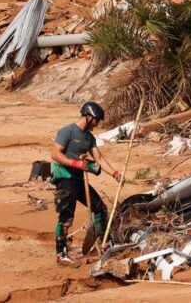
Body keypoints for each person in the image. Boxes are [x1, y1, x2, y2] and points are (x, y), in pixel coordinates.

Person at [51, 101, 120, 266]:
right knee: (66, 217)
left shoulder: (89, 138)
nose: (97, 124)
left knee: (100, 209)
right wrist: (75, 163)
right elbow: (55, 154)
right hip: (65, 178)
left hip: (79, 179)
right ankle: (61, 253)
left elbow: (99, 159)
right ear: (89, 117)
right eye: (97, 120)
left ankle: (105, 242)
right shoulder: (68, 131)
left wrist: (114, 173)